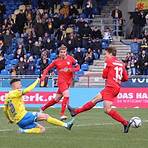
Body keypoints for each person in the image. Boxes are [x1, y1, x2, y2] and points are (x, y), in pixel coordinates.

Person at [68, 47, 131, 133]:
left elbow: (104, 75)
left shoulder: (109, 61)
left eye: (106, 54)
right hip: (115, 86)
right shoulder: (121, 63)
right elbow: (126, 78)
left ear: (110, 53)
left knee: (107, 110)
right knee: (95, 100)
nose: (105, 55)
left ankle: (125, 123)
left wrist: (109, 76)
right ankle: (75, 111)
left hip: (111, 87)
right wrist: (118, 79)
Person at [3, 78, 74, 134]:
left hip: (19, 122)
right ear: (14, 85)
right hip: (24, 116)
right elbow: (27, 90)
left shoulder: (7, 96)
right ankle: (66, 125)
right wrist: (37, 81)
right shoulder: (16, 92)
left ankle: (24, 131)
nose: (21, 86)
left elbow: (5, 110)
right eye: (19, 84)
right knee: (46, 116)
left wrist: (10, 119)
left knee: (42, 129)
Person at [40, 45, 80, 120]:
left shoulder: (71, 59)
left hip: (68, 82)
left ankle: (42, 109)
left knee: (56, 99)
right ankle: (62, 114)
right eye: (61, 52)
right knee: (66, 95)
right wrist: (43, 77)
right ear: (59, 53)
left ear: (66, 52)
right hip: (61, 81)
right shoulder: (56, 61)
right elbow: (47, 69)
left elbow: (78, 68)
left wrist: (70, 70)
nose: (63, 53)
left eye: (64, 52)